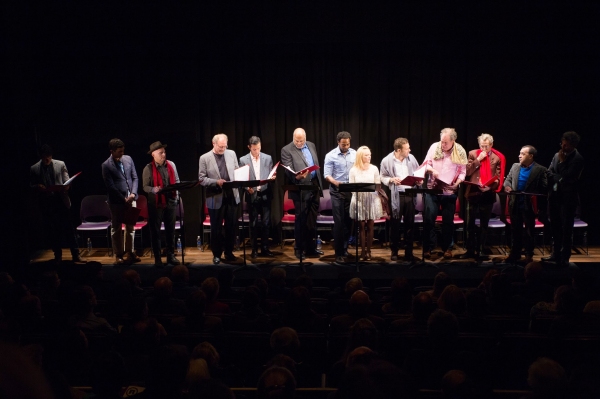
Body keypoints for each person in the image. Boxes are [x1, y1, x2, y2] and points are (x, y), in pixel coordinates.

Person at [30, 144, 82, 263]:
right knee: (52, 231)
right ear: (41, 157)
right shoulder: (34, 168)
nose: (47, 160)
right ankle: (57, 255)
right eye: (44, 158)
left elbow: (66, 180)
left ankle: (76, 254)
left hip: (61, 200)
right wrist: (37, 186)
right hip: (47, 202)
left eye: (49, 157)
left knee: (69, 229)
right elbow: (30, 185)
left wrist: (66, 186)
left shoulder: (60, 164)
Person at [422, 128, 467, 259]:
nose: (443, 145)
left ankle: (447, 247)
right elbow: (426, 164)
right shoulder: (434, 147)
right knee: (429, 220)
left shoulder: (460, 151)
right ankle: (428, 247)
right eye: (442, 141)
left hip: (449, 191)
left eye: (446, 142)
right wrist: (432, 171)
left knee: (448, 221)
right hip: (433, 189)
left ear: (453, 140)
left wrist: (457, 183)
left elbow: (463, 172)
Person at [280, 127, 323, 260]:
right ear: (293, 138)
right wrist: (296, 177)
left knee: (311, 220)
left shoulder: (311, 145)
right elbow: (288, 169)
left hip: (314, 186)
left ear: (305, 138)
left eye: (301, 141)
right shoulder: (286, 149)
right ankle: (299, 249)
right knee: (301, 220)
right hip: (300, 189)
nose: (299, 143)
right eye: (297, 141)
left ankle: (310, 248)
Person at [461, 133, 505, 259]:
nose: (484, 149)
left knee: (484, 224)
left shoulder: (496, 158)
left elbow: (498, 177)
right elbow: (467, 171)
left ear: (491, 145)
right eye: (482, 146)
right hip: (473, 193)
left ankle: (481, 249)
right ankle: (470, 250)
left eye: (486, 146)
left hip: (487, 194)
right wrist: (478, 160)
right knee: (470, 224)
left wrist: (491, 185)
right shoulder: (473, 154)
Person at [543, 131, 584, 267]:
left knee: (566, 228)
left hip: (568, 199)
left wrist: (561, 164)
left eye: (566, 145)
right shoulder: (557, 155)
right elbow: (549, 172)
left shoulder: (577, 159)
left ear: (573, 145)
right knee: (555, 226)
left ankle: (564, 256)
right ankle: (555, 254)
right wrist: (559, 178)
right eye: (562, 144)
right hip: (555, 196)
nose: (562, 147)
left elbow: (568, 177)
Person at [198, 133, 240, 265]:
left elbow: (237, 170)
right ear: (213, 144)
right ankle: (216, 254)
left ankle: (229, 252)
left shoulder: (231, 153)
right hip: (215, 196)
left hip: (232, 195)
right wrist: (216, 182)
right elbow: (201, 179)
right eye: (221, 146)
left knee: (231, 226)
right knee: (216, 227)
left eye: (225, 146)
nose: (223, 149)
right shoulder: (204, 158)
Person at [503, 145, 547, 264]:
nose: (519, 155)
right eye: (519, 153)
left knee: (529, 231)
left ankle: (528, 255)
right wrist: (507, 186)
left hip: (529, 205)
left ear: (531, 156)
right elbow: (508, 180)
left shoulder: (541, 169)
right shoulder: (515, 166)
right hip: (515, 203)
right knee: (515, 230)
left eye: (523, 154)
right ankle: (515, 253)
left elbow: (544, 188)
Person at [380, 137, 422, 262]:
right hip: (396, 196)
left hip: (409, 195)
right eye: (407, 148)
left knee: (410, 224)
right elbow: (383, 176)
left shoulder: (411, 158)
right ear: (399, 150)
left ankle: (409, 252)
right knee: (395, 225)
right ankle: (394, 251)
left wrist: (419, 180)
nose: (410, 150)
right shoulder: (387, 160)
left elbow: (419, 172)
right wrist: (391, 180)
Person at [101, 138, 140, 266]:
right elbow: (110, 186)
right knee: (116, 228)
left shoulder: (128, 159)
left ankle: (130, 252)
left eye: (123, 151)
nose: (122, 153)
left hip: (131, 198)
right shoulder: (106, 165)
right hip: (117, 202)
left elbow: (135, 177)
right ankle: (118, 254)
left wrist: (133, 194)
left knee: (131, 227)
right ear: (112, 151)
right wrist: (123, 199)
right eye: (119, 151)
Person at [142, 141, 181, 267]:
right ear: (153, 154)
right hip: (156, 204)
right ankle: (158, 258)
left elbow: (177, 180)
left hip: (171, 201)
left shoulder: (171, 165)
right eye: (160, 153)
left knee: (170, 230)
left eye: (164, 152)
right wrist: (153, 189)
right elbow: (145, 187)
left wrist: (177, 195)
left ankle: (171, 255)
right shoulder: (148, 168)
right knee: (156, 232)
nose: (163, 154)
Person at [238, 136, 275, 258]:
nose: (257, 152)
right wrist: (246, 188)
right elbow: (240, 179)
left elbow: (271, 174)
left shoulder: (267, 158)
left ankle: (265, 248)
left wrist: (272, 178)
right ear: (249, 147)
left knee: (266, 223)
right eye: (254, 149)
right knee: (253, 223)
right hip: (252, 194)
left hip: (265, 193)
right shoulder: (243, 160)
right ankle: (254, 249)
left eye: (258, 148)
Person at [323, 131, 356, 264]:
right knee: (339, 222)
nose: (346, 146)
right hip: (337, 191)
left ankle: (345, 248)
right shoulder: (330, 155)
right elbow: (327, 175)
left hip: (350, 191)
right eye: (343, 144)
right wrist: (336, 182)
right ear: (338, 142)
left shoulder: (354, 153)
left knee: (349, 222)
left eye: (348, 144)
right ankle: (338, 253)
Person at [349, 146, 383, 261]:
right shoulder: (353, 169)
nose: (369, 157)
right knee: (361, 226)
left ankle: (369, 251)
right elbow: (351, 186)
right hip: (359, 199)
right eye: (366, 155)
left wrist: (374, 189)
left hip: (371, 199)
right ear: (360, 156)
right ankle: (362, 251)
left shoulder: (374, 168)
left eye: (370, 155)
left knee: (370, 225)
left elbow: (377, 185)